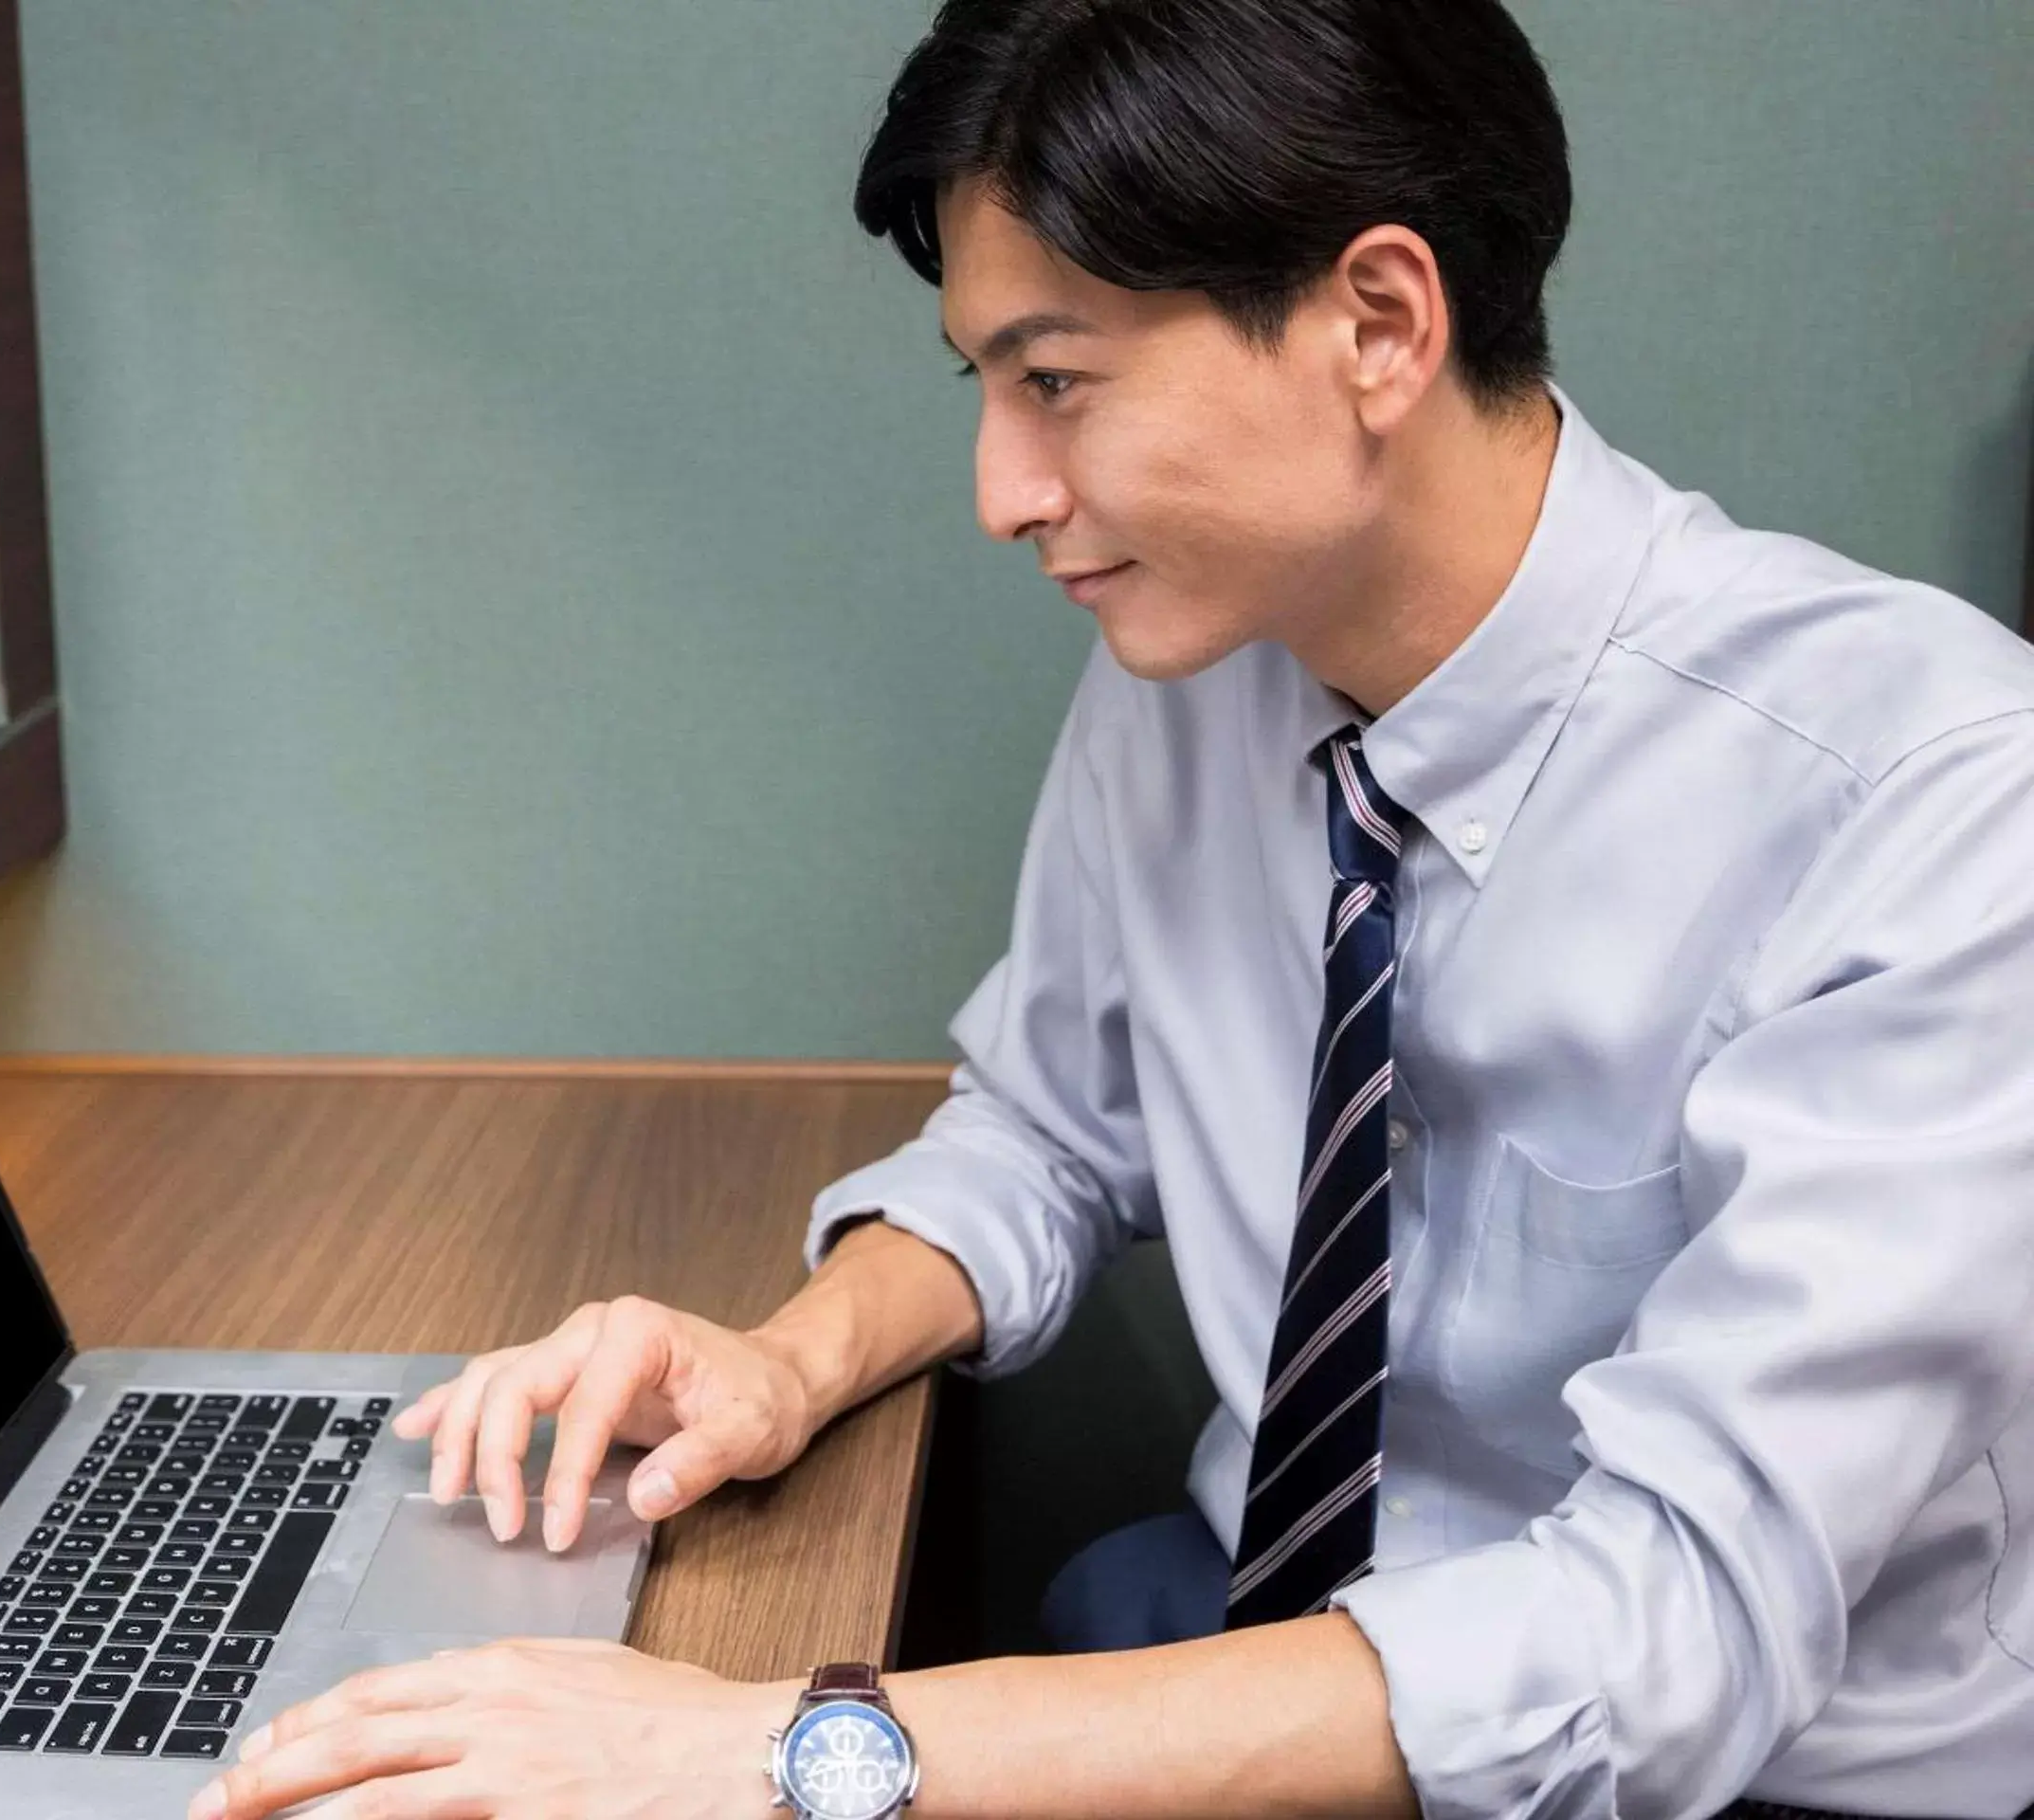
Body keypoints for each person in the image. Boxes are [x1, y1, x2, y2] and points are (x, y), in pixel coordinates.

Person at [188, 1, 2034, 1815]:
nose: (1003, 492)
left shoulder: (1935, 797)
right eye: (984, 385)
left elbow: (1668, 1639)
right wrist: (781, 1360)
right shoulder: (1202, 651)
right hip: (1245, 1626)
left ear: (1376, 325)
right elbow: (1052, 1130)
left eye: (1057, 382)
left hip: (1746, 1770)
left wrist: (777, 1749)